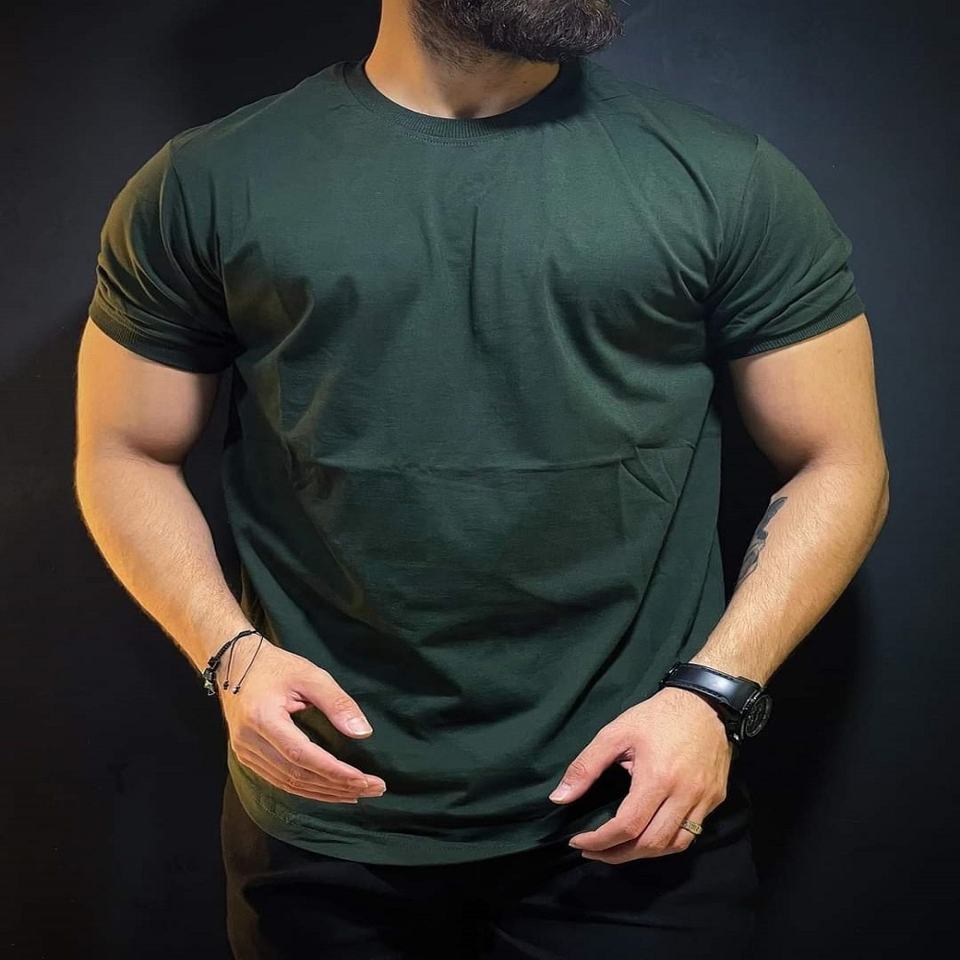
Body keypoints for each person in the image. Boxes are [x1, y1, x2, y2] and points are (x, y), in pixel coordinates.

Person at [74, 0, 889, 957]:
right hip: (322, 823)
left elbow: (841, 460)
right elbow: (125, 450)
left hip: (636, 814)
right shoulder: (209, 180)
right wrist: (228, 656)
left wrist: (712, 696)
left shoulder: (724, 178)